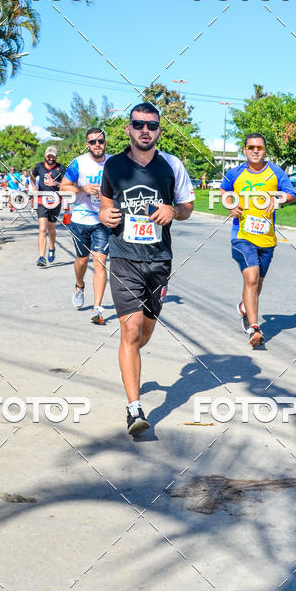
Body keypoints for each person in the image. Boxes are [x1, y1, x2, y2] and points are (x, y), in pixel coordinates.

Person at [99, 102, 195, 436]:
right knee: (130, 329)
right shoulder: (113, 165)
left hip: (158, 260)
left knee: (144, 333)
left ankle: (131, 360)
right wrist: (104, 215)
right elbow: (106, 203)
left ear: (159, 131)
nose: (145, 130)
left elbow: (187, 207)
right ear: (128, 128)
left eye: (151, 126)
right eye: (138, 124)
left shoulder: (171, 165)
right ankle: (134, 409)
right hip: (124, 258)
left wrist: (174, 212)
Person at [220, 133, 296, 349]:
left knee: (257, 284)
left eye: (260, 147)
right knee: (251, 278)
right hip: (242, 236)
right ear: (244, 149)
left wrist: (277, 198)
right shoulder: (235, 173)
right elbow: (223, 191)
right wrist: (229, 205)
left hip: (267, 238)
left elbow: (292, 194)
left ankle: (245, 306)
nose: (255, 150)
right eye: (251, 147)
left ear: (265, 150)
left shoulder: (275, 172)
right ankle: (255, 329)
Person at [61, 128, 111, 325]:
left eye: (100, 141)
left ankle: (97, 308)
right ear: (87, 145)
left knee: (100, 263)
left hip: (103, 220)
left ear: (105, 143)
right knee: (82, 261)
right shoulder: (78, 163)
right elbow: (63, 187)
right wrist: (83, 188)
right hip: (81, 219)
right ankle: (79, 285)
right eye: (92, 142)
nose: (97, 145)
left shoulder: (113, 163)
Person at [31, 146, 65, 267]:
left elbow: (67, 185)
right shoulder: (39, 166)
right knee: (42, 229)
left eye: (53, 156)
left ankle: (52, 247)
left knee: (51, 229)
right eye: (48, 155)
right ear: (45, 155)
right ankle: (41, 257)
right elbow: (32, 175)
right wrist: (34, 185)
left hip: (55, 201)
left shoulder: (61, 168)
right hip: (41, 200)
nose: (51, 158)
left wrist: (56, 183)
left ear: (56, 156)